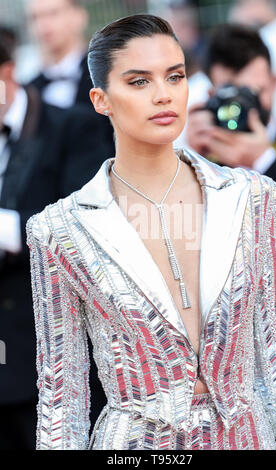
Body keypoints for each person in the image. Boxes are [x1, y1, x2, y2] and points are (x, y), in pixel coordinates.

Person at [26, 14, 276, 450]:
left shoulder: (252, 197)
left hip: (249, 439)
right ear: (101, 100)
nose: (163, 95)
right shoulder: (59, 230)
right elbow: (62, 398)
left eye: (174, 76)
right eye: (139, 81)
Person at [0, 28, 113, 450]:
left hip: (51, 358)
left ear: (8, 72)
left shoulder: (74, 128)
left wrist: (7, 227)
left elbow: (86, 225)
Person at [185, 24, 276, 310]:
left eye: (254, 92)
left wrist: (264, 162)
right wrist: (187, 160)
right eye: (231, 94)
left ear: (274, 83)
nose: (244, 108)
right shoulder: (197, 158)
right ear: (211, 93)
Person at [27, 0, 92, 109]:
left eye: (53, 13)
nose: (43, 25)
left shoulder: (106, 74)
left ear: (80, 16)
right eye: (35, 17)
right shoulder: (30, 90)